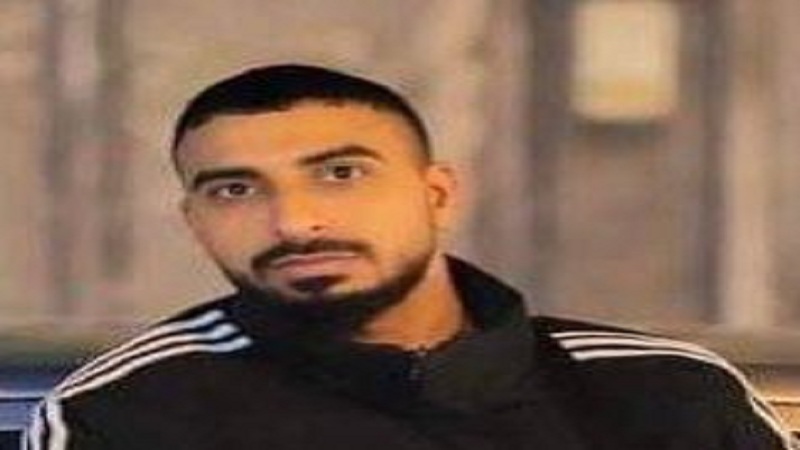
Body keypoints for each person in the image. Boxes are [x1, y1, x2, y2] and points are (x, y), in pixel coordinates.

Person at [25, 64, 795, 450]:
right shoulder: (125, 415)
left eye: (341, 173)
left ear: (436, 193)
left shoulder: (664, 395)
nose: (295, 221)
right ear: (194, 222)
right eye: (235, 190)